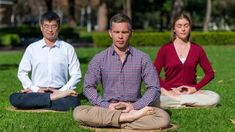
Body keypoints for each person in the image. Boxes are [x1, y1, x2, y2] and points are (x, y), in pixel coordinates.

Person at [73, 13, 170, 130]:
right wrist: (107, 105)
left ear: (131, 33)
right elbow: (88, 88)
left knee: (163, 118)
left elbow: (154, 88)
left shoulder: (143, 58)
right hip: (108, 108)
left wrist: (133, 107)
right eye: (116, 32)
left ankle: (114, 121)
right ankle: (127, 119)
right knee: (78, 112)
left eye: (124, 32)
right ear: (110, 33)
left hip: (135, 107)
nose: (120, 36)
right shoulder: (99, 59)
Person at [9, 11, 82, 111]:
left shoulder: (68, 48)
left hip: (60, 91)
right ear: (41, 28)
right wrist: (35, 89)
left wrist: (62, 91)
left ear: (59, 28)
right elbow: (22, 73)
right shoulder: (32, 48)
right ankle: (51, 100)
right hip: (37, 91)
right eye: (46, 26)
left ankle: (36, 103)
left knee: (74, 102)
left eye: (54, 26)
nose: (50, 30)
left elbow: (76, 74)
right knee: (14, 98)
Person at [154, 13, 220, 108]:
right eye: (179, 26)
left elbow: (210, 73)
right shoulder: (165, 49)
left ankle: (180, 102)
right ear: (174, 29)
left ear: (190, 28)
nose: (183, 29)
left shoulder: (197, 49)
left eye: (186, 26)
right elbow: (154, 73)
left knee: (215, 98)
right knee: (153, 98)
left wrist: (195, 88)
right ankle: (189, 103)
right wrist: (169, 90)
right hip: (170, 91)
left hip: (191, 92)